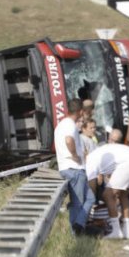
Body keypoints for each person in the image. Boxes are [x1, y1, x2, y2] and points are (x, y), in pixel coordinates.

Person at [86, 131, 129, 239]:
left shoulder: (89, 161)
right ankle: (126, 231)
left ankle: (116, 231)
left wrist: (90, 203)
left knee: (107, 195)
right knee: (123, 195)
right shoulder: (98, 153)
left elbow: (92, 185)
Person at [54, 98, 96, 236]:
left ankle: (79, 224)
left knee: (90, 198)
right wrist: (75, 155)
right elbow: (68, 140)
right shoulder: (70, 125)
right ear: (80, 111)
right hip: (74, 169)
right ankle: (76, 233)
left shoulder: (62, 124)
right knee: (78, 203)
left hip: (69, 168)